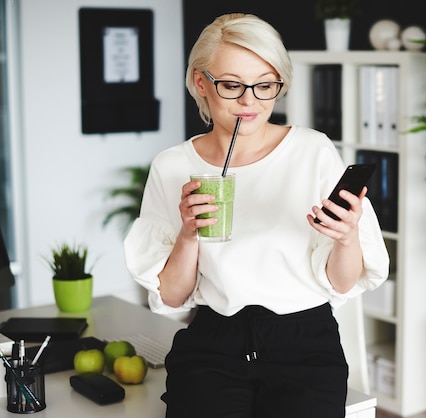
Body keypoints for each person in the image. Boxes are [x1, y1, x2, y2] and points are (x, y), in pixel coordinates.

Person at [124, 12, 389, 418]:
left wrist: (348, 236)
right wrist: (189, 234)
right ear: (201, 83)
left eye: (266, 86)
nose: (251, 102)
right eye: (232, 86)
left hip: (304, 343)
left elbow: (341, 282)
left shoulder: (311, 152)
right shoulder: (172, 166)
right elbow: (174, 297)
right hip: (214, 339)